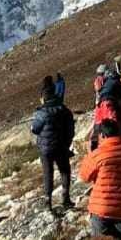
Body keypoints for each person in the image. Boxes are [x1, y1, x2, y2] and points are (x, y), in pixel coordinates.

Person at [79, 120, 121, 240]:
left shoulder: (98, 154)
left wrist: (89, 153)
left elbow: (84, 176)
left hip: (101, 208)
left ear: (102, 135)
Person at [31, 75, 75, 213]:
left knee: (48, 173)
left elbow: (35, 129)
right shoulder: (65, 110)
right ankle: (66, 198)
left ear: (44, 97)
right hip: (62, 146)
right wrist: (67, 143)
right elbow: (71, 130)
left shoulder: (41, 113)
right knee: (65, 171)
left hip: (46, 149)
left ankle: (48, 202)